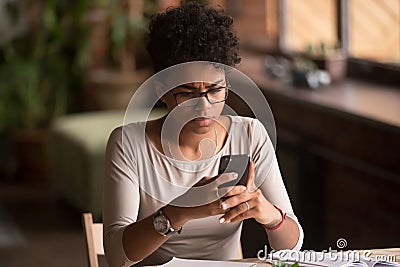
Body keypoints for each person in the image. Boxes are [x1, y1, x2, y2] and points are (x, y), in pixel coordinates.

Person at [103, 2, 303, 267]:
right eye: (187, 93)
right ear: (162, 90)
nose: (204, 106)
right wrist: (179, 211)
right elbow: (117, 257)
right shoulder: (129, 144)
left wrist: (268, 214)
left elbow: (293, 247)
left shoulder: (249, 135)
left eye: (215, 90)